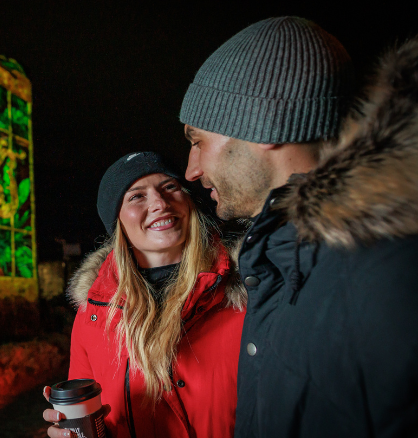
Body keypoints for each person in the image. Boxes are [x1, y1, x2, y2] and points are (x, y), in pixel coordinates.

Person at [180, 17, 418, 437]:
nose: (192, 171)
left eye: (197, 141)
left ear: (262, 118)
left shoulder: (390, 276)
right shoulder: (280, 259)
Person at [43, 151, 246, 438]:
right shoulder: (94, 314)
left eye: (170, 187)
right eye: (137, 196)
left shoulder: (246, 291)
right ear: (118, 223)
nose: (160, 203)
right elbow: (93, 420)